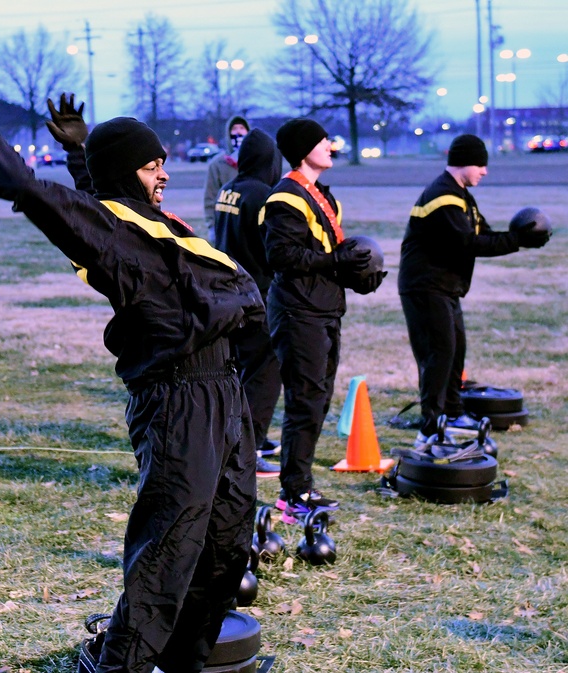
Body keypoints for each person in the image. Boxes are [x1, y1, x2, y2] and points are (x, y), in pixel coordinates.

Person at [0, 93, 261, 673]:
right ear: (132, 171)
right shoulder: (111, 233)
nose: (166, 174)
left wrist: (82, 153)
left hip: (226, 396)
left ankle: (186, 664)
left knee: (225, 549)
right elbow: (38, 195)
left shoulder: (151, 222)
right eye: (153, 166)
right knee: (167, 560)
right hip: (179, 401)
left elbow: (101, 202)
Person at [261, 118, 385, 525]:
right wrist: (336, 261)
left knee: (316, 401)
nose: (330, 145)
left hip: (325, 309)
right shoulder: (285, 198)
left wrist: (357, 275)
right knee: (304, 402)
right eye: (322, 141)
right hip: (298, 311)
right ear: (302, 151)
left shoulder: (323, 196)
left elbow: (327, 256)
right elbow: (281, 257)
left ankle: (300, 486)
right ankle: (293, 495)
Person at [398, 134, 550, 446]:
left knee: (455, 350)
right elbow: (467, 243)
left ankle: (453, 413)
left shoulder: (461, 196)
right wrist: (518, 240)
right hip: (425, 286)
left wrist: (519, 238)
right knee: (438, 353)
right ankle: (431, 425)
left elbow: (484, 234)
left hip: (444, 287)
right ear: (465, 162)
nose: (485, 171)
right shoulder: (444, 198)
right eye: (481, 164)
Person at [213, 129, 285, 479]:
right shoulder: (263, 195)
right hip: (258, 294)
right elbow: (270, 248)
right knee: (265, 372)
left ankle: (245, 437)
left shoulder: (229, 189)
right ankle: (249, 448)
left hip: (231, 293)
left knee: (240, 371)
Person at [203, 115, 250, 239]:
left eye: (242, 128)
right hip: (225, 226)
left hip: (250, 225)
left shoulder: (256, 161)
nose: (238, 132)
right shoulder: (217, 164)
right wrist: (212, 226)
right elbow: (210, 196)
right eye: (234, 128)